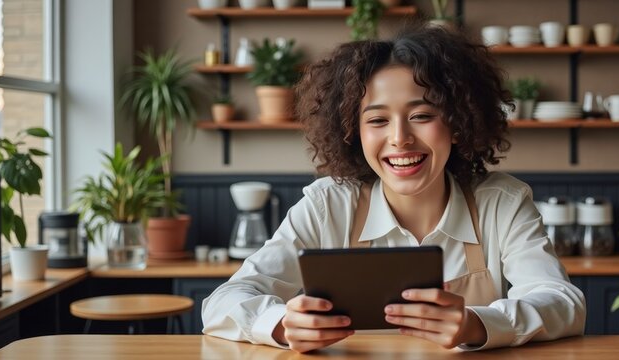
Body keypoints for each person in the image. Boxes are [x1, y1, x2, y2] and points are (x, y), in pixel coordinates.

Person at [202, 26, 586, 353]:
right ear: (353, 132)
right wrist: (281, 325)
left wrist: (477, 324)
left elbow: (563, 302)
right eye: (378, 120)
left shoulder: (502, 203)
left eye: (421, 115)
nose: (400, 138)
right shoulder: (327, 205)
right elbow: (223, 302)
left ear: (457, 123)